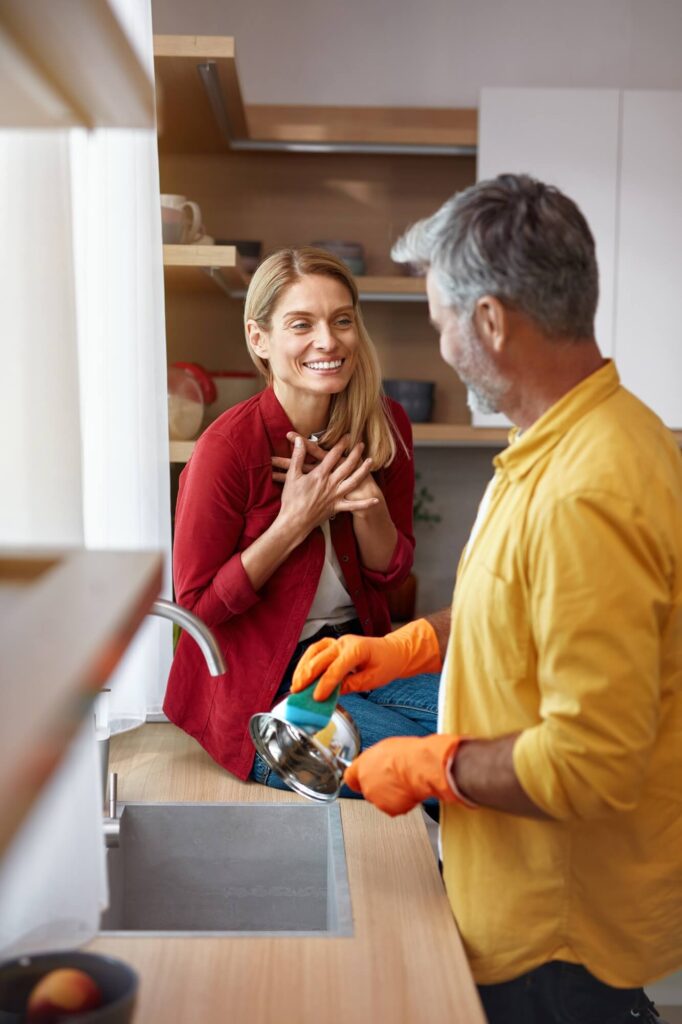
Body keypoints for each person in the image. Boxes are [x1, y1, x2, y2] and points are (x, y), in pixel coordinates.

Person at [292, 176, 682, 1023]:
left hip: (559, 939)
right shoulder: (556, 443)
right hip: (523, 906)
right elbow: (521, 609)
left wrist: (429, 765)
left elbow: (589, 762)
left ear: (492, 322)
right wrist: (412, 646)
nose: (444, 348)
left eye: (443, 324)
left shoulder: (589, 487)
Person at [163, 247, 440, 794]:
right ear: (259, 339)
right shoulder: (227, 449)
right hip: (269, 690)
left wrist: (369, 505)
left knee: (490, 730)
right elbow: (196, 610)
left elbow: (391, 571)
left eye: (342, 321)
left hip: (357, 658)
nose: (328, 341)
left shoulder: (384, 424)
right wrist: (294, 522)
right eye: (301, 324)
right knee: (429, 770)